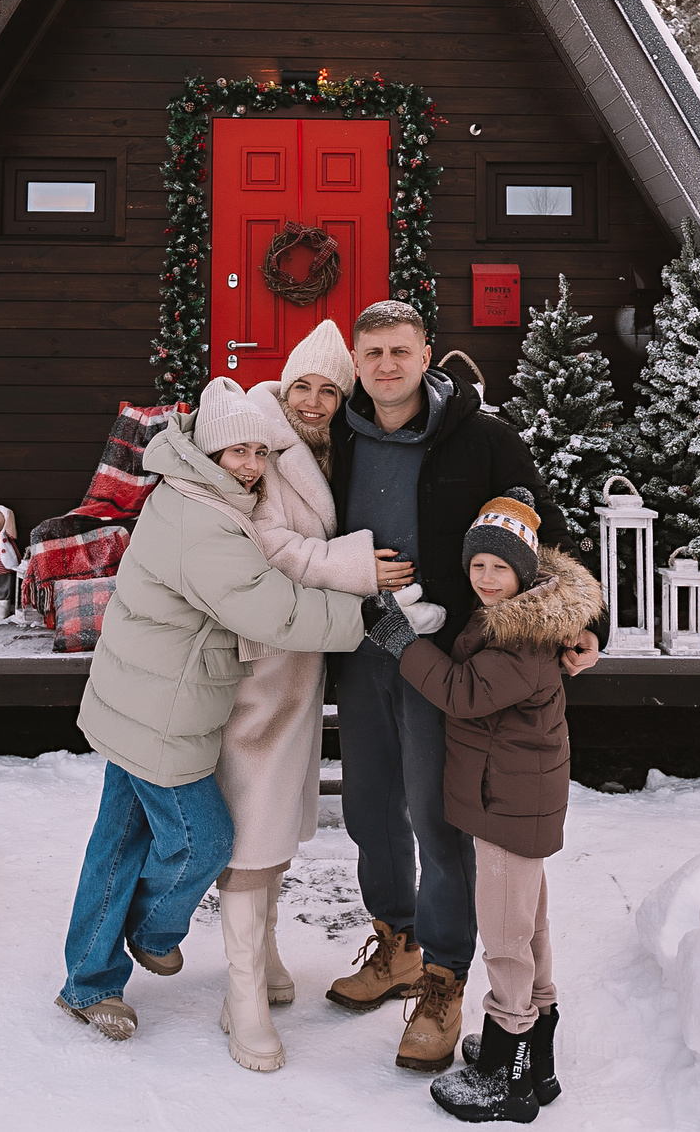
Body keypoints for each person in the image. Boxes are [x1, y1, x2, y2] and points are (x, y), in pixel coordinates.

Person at [58, 378, 378, 1047]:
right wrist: (365, 615)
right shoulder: (202, 520)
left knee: (118, 842)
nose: (252, 465)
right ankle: (152, 934)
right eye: (238, 451)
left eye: (260, 451)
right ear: (208, 451)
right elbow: (272, 609)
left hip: (141, 696)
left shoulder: (200, 494)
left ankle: (88, 982)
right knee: (204, 839)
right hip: (160, 711)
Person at [326, 300, 603, 1073]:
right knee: (369, 807)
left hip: (449, 663)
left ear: (427, 355)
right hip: (360, 650)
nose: (387, 365)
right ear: (356, 361)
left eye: (400, 350)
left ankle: (444, 977)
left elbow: (544, 536)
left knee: (438, 817)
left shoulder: (483, 437)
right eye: (373, 352)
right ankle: (398, 943)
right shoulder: (337, 437)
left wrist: (581, 623)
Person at [216, 323, 427, 1069]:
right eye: (301, 385)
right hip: (260, 661)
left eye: (327, 390)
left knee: (276, 817)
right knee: (253, 820)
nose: (312, 400)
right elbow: (268, 545)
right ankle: (241, 995)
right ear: (283, 386)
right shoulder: (261, 445)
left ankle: (265, 957)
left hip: (301, 662)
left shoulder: (328, 449)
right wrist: (358, 566)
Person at [358, 492, 602, 1123]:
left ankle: (507, 1073)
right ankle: (535, 1057)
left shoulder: (520, 641)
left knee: (505, 942)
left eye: (500, 567)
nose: (487, 579)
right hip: (517, 801)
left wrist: (401, 642)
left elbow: (461, 692)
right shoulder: (528, 619)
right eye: (478, 566)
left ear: (525, 572)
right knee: (528, 929)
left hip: (508, 807)